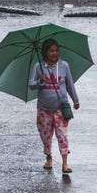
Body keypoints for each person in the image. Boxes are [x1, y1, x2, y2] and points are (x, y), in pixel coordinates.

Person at [28, 37, 80, 175]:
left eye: (56, 51)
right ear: (45, 52)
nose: (54, 53)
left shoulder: (64, 66)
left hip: (61, 108)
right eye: (51, 51)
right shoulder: (38, 67)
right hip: (44, 109)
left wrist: (75, 100)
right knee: (46, 136)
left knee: (62, 135)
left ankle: (65, 163)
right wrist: (40, 80)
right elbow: (31, 85)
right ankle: (48, 157)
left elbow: (70, 84)